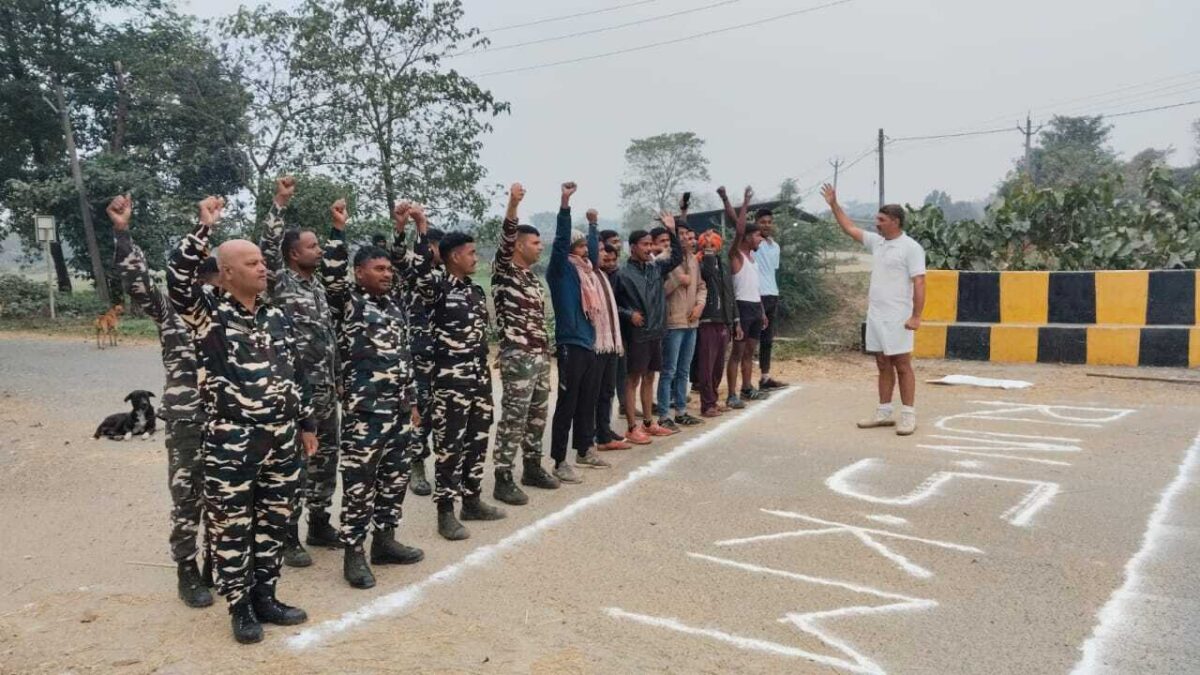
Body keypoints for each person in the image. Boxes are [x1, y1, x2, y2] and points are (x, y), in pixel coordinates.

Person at [168, 196, 317, 644]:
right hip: (233, 441)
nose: (262, 268)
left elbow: (295, 372)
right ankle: (240, 607)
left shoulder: (275, 316)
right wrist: (203, 229)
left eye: (262, 261)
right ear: (227, 273)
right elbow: (177, 280)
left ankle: (265, 596)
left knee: (275, 521)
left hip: (282, 440)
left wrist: (306, 423)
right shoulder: (207, 316)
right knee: (231, 528)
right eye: (251, 263)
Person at [109, 194, 217, 609]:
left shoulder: (227, 310)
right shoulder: (169, 310)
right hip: (187, 417)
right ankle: (186, 570)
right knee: (187, 496)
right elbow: (136, 281)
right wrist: (122, 232)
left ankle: (215, 562)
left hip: (227, 416)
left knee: (225, 495)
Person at [320, 199, 424, 589]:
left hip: (398, 409)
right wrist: (338, 230)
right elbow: (331, 274)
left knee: (395, 479)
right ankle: (354, 552)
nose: (387, 274)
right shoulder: (347, 301)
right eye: (378, 269)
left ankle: (385, 541)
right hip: (365, 413)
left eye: (388, 269)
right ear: (358, 272)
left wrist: (411, 400)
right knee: (360, 483)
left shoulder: (395, 303)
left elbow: (403, 354)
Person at [257, 176, 341, 567]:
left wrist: (338, 380)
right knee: (295, 464)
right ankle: (287, 535)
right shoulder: (279, 282)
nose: (318, 250)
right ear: (293, 253)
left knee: (326, 460)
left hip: (325, 390)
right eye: (312, 246)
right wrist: (280, 201)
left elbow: (327, 338)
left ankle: (319, 523)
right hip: (296, 394)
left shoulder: (317, 287)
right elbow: (267, 246)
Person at [411, 208, 505, 540]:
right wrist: (421, 228)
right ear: (454, 256)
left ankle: (472, 500)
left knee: (477, 440)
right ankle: (445, 512)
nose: (476, 258)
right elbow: (421, 270)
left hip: (478, 379)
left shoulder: (474, 291)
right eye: (471, 253)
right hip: (451, 381)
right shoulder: (437, 287)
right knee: (449, 445)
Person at [821, 184, 926, 436]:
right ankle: (884, 412)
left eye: (881, 220)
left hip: (899, 317)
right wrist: (834, 204)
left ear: (895, 222)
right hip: (876, 315)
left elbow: (920, 282)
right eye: (877, 219)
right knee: (882, 363)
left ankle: (908, 415)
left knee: (902, 364)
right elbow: (849, 227)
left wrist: (916, 316)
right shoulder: (877, 242)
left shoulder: (911, 247)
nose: (876, 224)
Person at [491, 182, 561, 506]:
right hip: (518, 356)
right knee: (514, 417)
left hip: (539, 355)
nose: (540, 247)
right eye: (535, 242)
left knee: (537, 414)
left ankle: (532, 467)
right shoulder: (504, 270)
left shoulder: (532, 278)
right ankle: (503, 477)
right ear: (518, 246)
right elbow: (506, 237)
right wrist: (513, 205)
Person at [546, 182, 611, 484]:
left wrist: (594, 226)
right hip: (570, 342)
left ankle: (585, 449)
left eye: (587, 246)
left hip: (589, 342)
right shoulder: (561, 271)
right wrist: (565, 205)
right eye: (582, 246)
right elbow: (561, 242)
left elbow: (595, 257)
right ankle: (559, 460)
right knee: (568, 402)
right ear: (571, 249)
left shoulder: (586, 272)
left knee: (587, 399)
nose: (588, 251)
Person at [614, 213, 683, 444]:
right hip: (637, 334)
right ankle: (631, 427)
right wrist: (629, 314)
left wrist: (671, 230)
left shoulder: (656, 268)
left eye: (651, 244)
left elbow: (677, 256)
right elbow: (612, 304)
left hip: (656, 331)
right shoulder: (622, 274)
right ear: (632, 247)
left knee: (650, 377)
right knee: (632, 379)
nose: (650, 248)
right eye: (644, 244)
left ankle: (648, 423)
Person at [399, 225, 443, 498]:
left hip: (443, 355)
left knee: (442, 413)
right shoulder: (412, 273)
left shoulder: (445, 275)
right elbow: (399, 254)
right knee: (421, 412)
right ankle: (415, 465)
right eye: (435, 247)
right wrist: (413, 228)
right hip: (419, 354)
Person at [656, 202, 706, 430]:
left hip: (692, 322)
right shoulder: (664, 260)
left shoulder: (694, 260)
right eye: (681, 234)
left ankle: (681, 411)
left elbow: (702, 286)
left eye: (688, 234)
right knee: (669, 370)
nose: (686, 238)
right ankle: (663, 414)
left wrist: (700, 305)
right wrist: (677, 281)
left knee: (684, 370)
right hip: (673, 322)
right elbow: (659, 291)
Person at [721, 185, 769, 409]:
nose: (761, 239)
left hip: (754, 308)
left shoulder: (752, 258)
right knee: (737, 353)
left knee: (750, 351)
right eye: (758, 235)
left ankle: (747, 388)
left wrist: (762, 311)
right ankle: (731, 395)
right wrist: (744, 202)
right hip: (741, 308)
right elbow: (739, 229)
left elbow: (755, 288)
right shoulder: (736, 256)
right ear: (747, 237)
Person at [590, 222, 630, 452]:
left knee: (607, 390)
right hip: (597, 342)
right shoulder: (590, 277)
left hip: (613, 341)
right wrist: (592, 224)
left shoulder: (609, 276)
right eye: (603, 251)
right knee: (596, 391)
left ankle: (604, 431)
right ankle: (595, 432)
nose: (607, 257)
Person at [695, 230, 737, 417]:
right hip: (707, 320)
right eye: (706, 246)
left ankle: (713, 398)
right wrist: (708, 256)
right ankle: (707, 404)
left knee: (718, 365)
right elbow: (708, 274)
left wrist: (734, 320)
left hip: (723, 321)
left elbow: (729, 294)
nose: (709, 248)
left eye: (713, 245)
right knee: (707, 365)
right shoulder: (701, 264)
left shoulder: (724, 265)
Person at [754, 208, 787, 392]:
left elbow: (771, 271)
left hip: (772, 294)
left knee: (767, 340)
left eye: (769, 222)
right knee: (750, 341)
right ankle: (744, 384)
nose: (766, 225)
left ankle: (765, 377)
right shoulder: (754, 244)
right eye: (762, 222)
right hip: (756, 296)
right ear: (756, 223)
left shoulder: (775, 246)